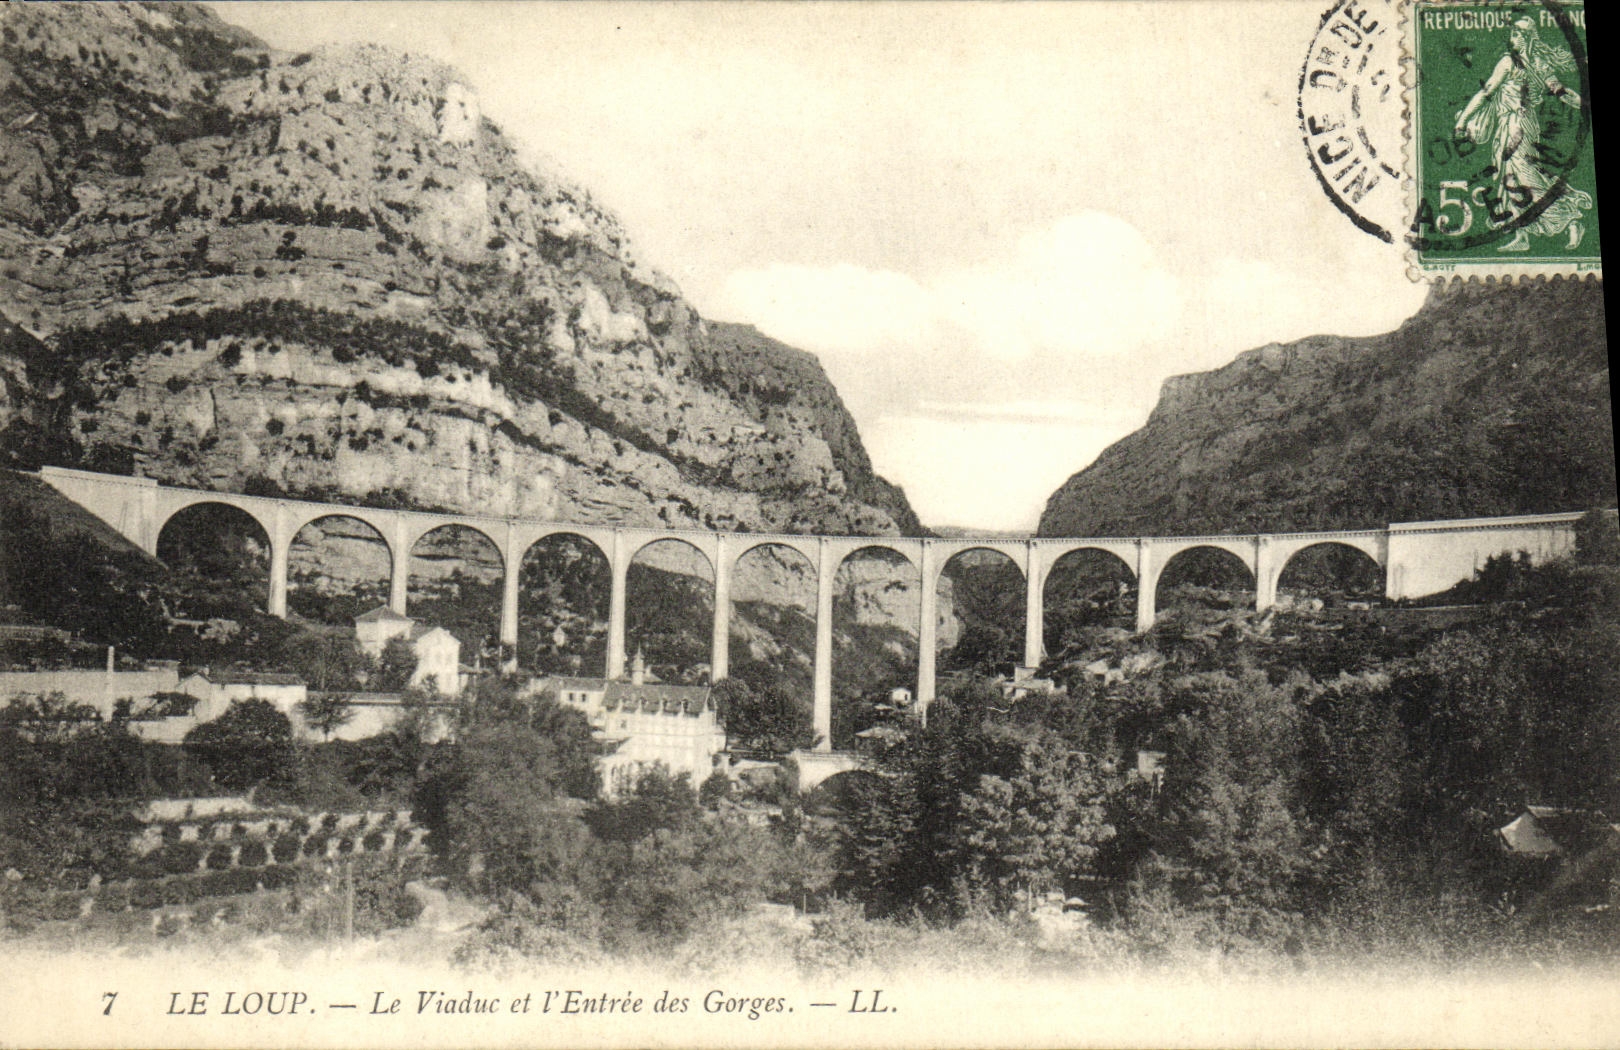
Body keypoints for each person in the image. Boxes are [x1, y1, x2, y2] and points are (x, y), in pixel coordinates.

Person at [1453, 16, 1590, 251]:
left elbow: (1486, 93)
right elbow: (1562, 93)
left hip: (1516, 127)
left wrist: (1462, 122)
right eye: (1512, 34)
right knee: (1512, 178)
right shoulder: (1538, 64)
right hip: (1520, 126)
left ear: (1526, 39)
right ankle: (1523, 236)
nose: (1511, 39)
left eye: (1516, 35)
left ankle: (1569, 219)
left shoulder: (1509, 63)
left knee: (1523, 179)